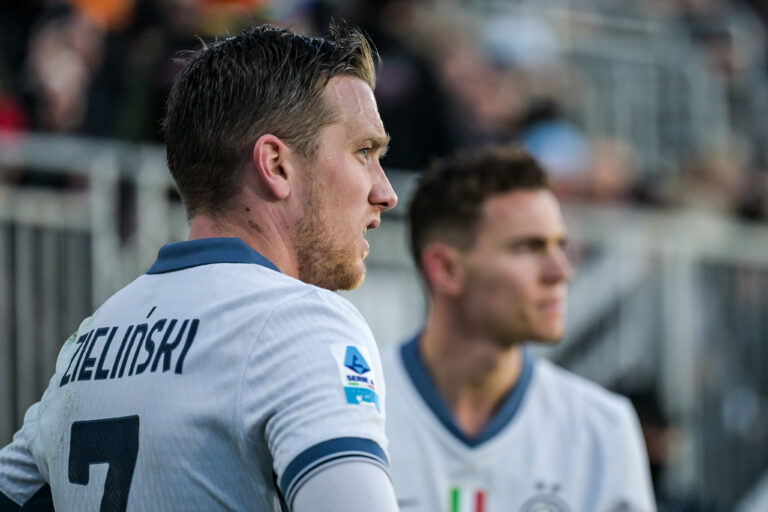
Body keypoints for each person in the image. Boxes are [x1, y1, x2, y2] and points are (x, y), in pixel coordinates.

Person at [0, 23, 400, 512]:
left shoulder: (87, 341)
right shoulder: (302, 323)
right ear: (275, 165)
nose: (386, 192)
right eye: (364, 152)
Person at [382, 144, 656, 511]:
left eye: (561, 245)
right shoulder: (355, 409)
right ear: (446, 269)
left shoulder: (602, 429)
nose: (560, 272)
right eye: (529, 247)